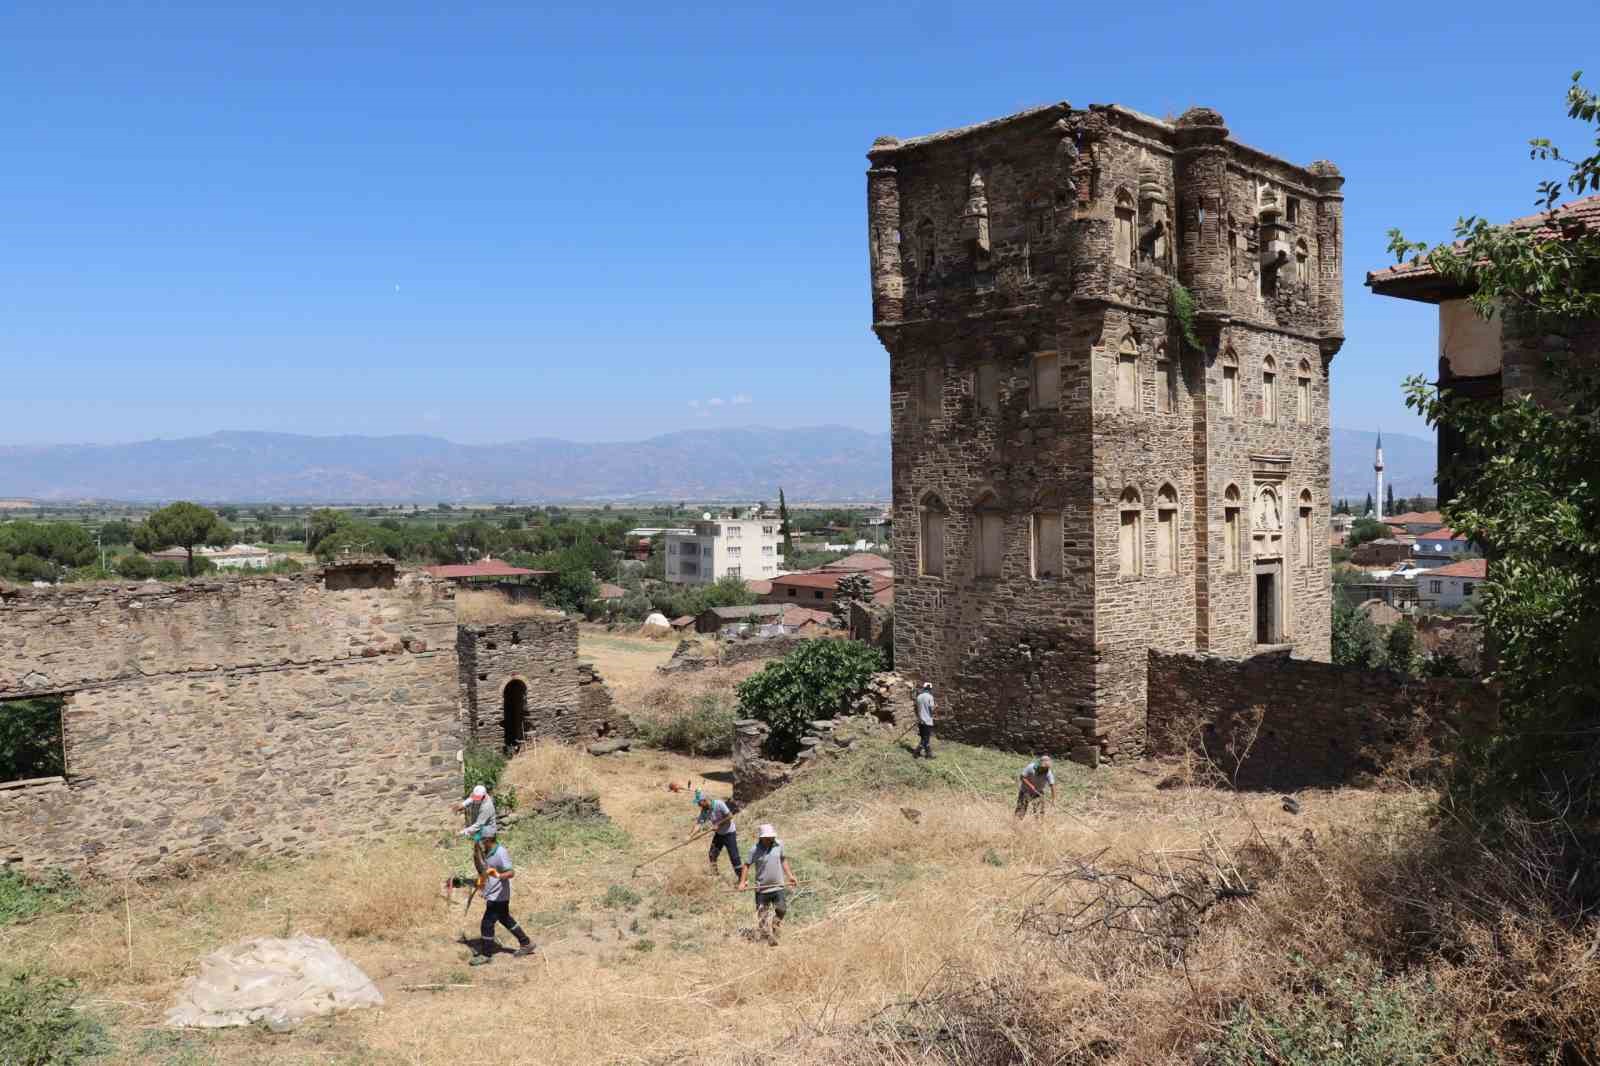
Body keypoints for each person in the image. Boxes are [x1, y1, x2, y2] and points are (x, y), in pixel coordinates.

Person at [469, 829, 535, 965]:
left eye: (482, 840)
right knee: (505, 919)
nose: (480, 843)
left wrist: (498, 875)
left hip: (499, 895)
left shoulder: (500, 853)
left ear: (488, 840)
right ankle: (526, 943)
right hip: (493, 892)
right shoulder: (487, 851)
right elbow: (484, 869)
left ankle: (487, 954)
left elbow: (511, 872)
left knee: (487, 924)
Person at [736, 824, 798, 945]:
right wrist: (742, 882)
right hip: (762, 889)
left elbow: (783, 859)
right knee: (762, 916)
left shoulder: (779, 844)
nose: (770, 839)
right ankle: (766, 939)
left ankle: (775, 926)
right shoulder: (754, 849)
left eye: (771, 836)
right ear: (761, 838)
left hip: (778, 886)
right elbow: (746, 865)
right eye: (767, 837)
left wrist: (790, 876)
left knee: (781, 909)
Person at [695, 791, 743, 883]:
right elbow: (698, 824)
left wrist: (718, 824)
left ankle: (742, 879)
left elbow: (730, 816)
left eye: (699, 802)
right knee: (712, 854)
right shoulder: (704, 811)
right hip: (719, 834)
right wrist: (689, 836)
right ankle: (715, 875)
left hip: (729, 833)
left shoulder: (719, 804)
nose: (698, 805)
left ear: (704, 800)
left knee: (734, 857)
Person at [454, 784, 497, 873]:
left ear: (484, 796)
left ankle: (490, 877)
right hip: (478, 832)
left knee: (486, 856)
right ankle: (482, 876)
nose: (476, 800)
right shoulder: (477, 796)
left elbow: (478, 825)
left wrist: (462, 832)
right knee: (477, 853)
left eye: (478, 799)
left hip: (486, 834)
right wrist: (462, 805)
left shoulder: (487, 807)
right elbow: (471, 799)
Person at [913, 682, 936, 760]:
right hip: (927, 721)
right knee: (925, 739)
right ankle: (916, 752)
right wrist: (936, 707)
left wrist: (918, 717)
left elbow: (916, 708)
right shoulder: (930, 697)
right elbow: (932, 709)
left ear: (924, 688)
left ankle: (928, 754)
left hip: (920, 721)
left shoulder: (919, 697)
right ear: (930, 689)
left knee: (925, 739)